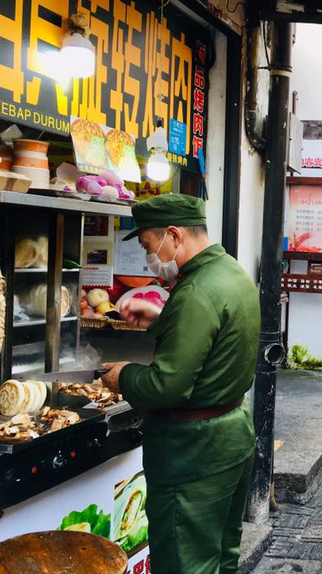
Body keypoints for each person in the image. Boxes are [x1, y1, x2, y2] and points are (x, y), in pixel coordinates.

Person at [100, 194, 260, 574]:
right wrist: (161, 316)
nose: (148, 257)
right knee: (222, 557)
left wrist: (123, 375)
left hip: (193, 454)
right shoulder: (230, 272)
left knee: (185, 564)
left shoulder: (196, 292)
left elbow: (166, 386)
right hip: (232, 438)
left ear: (173, 235)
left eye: (147, 245)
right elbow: (215, 335)